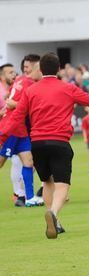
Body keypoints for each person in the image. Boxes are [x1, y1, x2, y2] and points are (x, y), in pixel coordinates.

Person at [0, 53, 89, 239]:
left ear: (41, 70)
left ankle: (55, 221)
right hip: (59, 142)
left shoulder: (31, 91)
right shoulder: (67, 88)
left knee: (47, 182)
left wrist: (2, 136)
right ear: (59, 68)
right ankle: (53, 213)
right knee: (62, 185)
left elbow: (16, 117)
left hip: (36, 143)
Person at [0, 59, 43, 207]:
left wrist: (11, 102)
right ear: (37, 71)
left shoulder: (19, 80)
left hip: (21, 130)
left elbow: (9, 98)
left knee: (29, 162)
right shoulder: (30, 84)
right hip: (11, 128)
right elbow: (29, 106)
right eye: (42, 73)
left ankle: (29, 198)